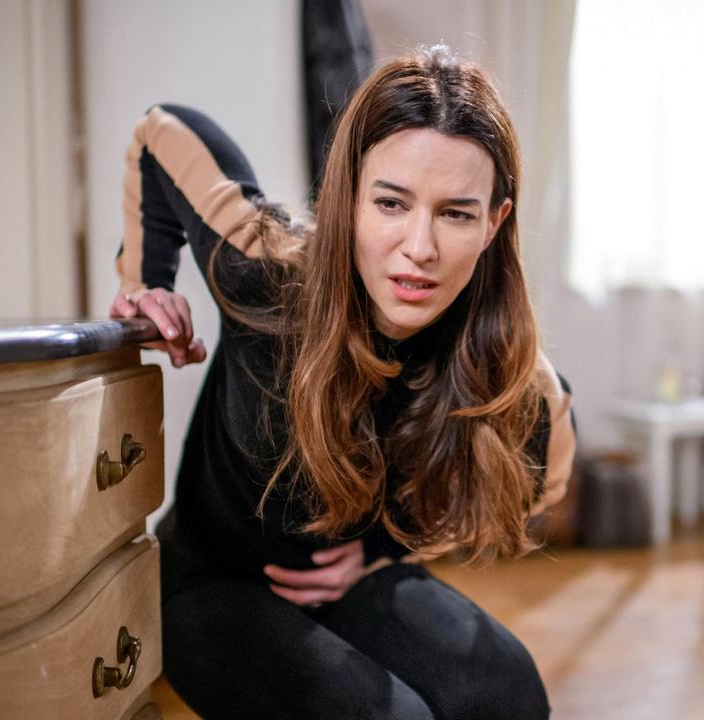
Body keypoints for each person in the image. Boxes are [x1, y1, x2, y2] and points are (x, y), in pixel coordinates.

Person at [107, 46, 576, 719]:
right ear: (348, 195)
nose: (419, 247)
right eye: (391, 202)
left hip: (345, 579)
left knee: (507, 694)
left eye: (456, 213)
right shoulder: (264, 272)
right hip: (209, 582)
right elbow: (162, 133)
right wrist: (146, 284)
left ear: (494, 224)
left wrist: (386, 548)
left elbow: (545, 476)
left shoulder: (507, 373)